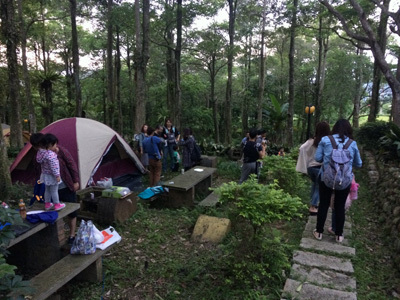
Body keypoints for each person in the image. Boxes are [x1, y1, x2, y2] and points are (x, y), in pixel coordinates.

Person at [313, 119, 362, 243]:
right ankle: (339, 235)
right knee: (339, 207)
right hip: (344, 181)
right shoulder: (352, 143)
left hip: (326, 178)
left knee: (323, 204)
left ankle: (318, 232)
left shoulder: (325, 140)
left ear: (334, 128)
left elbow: (317, 158)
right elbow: (359, 163)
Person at [296, 121, 331, 215]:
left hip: (311, 168)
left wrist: (305, 160)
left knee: (315, 184)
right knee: (318, 186)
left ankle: (313, 203)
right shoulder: (327, 142)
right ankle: (313, 206)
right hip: (320, 168)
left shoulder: (311, 141)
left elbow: (302, 148)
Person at [55, 141, 80, 244]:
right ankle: (58, 236)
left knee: (71, 210)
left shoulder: (62, 152)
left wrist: (75, 181)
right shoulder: (41, 156)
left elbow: (72, 166)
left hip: (66, 185)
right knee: (54, 210)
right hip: (52, 188)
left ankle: (72, 235)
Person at [36, 133, 65, 211]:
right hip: (52, 176)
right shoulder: (51, 155)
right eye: (55, 144)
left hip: (45, 175)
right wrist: (57, 175)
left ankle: (47, 204)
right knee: (54, 190)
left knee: (47, 190)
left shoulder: (41, 153)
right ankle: (57, 204)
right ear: (50, 145)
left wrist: (55, 152)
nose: (56, 146)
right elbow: (54, 166)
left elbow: (45, 160)